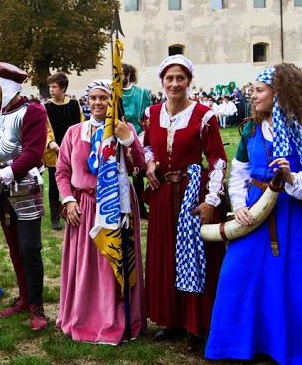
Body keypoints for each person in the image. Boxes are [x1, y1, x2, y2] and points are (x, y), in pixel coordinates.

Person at [206, 64, 302, 364]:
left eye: (259, 91)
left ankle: (290, 348)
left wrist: (292, 180)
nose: (252, 95)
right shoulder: (250, 127)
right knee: (238, 273)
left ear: (279, 94)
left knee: (293, 280)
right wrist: (239, 206)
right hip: (254, 213)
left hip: (294, 216)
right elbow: (239, 173)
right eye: (253, 90)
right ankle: (236, 345)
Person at [142, 55, 227, 351]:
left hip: (193, 194)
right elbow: (147, 144)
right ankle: (172, 319)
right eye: (169, 78)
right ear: (162, 82)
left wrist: (210, 200)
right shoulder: (152, 112)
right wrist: (150, 163)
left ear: (189, 81)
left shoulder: (204, 115)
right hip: (165, 194)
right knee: (166, 254)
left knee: (196, 258)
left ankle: (197, 324)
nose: (175, 83)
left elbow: (217, 160)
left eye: (180, 78)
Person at [55, 79, 146, 344]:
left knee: (112, 263)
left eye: (104, 98)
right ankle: (84, 316)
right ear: (87, 100)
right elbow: (62, 171)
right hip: (83, 206)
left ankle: (116, 317)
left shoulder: (123, 129)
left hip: (116, 204)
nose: (98, 103)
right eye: (93, 98)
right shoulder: (74, 132)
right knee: (86, 265)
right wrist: (68, 200)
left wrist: (126, 138)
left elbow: (138, 164)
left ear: (112, 102)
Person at [0, 62, 49, 330]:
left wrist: (0, 176)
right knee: (15, 248)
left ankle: (37, 305)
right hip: (0, 192)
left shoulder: (33, 112)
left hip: (26, 189)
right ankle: (25, 298)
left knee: (30, 248)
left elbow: (32, 153)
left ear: (8, 86)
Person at [43, 72, 83, 230]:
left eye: (54, 87)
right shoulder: (45, 107)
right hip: (55, 152)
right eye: (50, 87)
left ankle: (73, 210)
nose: (51, 90)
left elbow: (82, 124)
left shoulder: (74, 105)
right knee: (54, 183)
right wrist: (50, 142)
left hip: (74, 151)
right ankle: (54, 216)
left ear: (63, 88)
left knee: (75, 181)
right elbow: (43, 130)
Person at [122, 63, 152, 219]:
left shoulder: (141, 93)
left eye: (120, 74)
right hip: (118, 135)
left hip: (138, 135)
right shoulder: (113, 93)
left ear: (127, 75)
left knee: (138, 173)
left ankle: (140, 207)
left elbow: (148, 117)